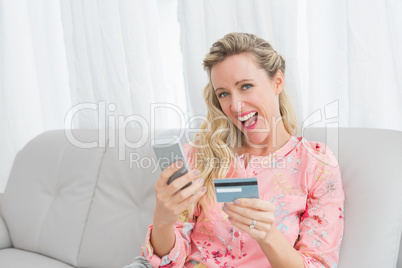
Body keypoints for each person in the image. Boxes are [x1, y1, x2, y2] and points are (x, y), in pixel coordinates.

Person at [141, 32, 344, 267]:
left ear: (277, 82)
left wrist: (268, 235)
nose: (235, 105)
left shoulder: (316, 163)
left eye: (246, 86)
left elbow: (319, 264)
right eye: (224, 94)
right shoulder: (199, 156)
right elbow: (169, 262)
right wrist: (163, 220)